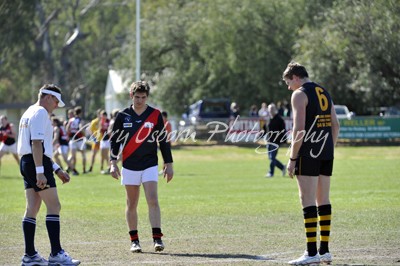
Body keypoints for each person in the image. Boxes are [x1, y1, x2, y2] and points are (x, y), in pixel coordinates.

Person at [282, 62, 340, 265]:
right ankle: (324, 251)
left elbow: (299, 130)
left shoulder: (299, 94)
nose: (289, 87)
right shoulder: (323, 90)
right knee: (323, 200)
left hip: (308, 153)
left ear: (296, 77)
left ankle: (311, 252)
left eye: (289, 82)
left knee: (307, 200)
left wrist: (292, 159)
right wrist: (329, 148)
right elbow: (336, 125)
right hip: (326, 153)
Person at [18, 84, 80, 266]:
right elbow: (36, 144)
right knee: (54, 206)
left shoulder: (29, 111)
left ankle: (30, 256)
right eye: (55, 101)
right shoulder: (41, 113)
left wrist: (56, 168)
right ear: (47, 97)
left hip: (27, 162)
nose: (56, 106)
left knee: (32, 207)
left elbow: (36, 148)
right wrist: (41, 172)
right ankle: (56, 254)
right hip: (36, 164)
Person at [110, 81, 174, 253]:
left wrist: (169, 163)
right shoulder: (123, 116)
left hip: (149, 164)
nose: (140, 100)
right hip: (130, 165)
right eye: (137, 97)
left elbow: (163, 141)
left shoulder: (155, 114)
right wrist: (112, 162)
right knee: (132, 204)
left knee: (152, 199)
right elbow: (115, 141)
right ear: (131, 96)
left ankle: (157, 239)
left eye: (143, 97)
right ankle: (134, 241)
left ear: (147, 97)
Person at [265, 103, 286, 178]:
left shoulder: (279, 119)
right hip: (269, 141)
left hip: (276, 142)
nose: (270, 111)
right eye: (269, 109)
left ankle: (271, 173)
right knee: (271, 158)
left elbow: (283, 130)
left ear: (275, 110)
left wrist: (283, 140)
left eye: (272, 109)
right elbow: (265, 129)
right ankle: (282, 167)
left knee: (272, 158)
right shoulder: (268, 119)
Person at [66, 106, 87, 175]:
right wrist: (85, 134)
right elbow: (81, 128)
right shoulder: (80, 120)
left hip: (72, 139)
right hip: (79, 139)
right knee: (83, 155)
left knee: (73, 156)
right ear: (80, 112)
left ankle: (71, 169)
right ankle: (84, 170)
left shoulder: (71, 120)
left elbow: (67, 129)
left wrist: (69, 135)